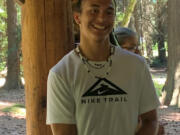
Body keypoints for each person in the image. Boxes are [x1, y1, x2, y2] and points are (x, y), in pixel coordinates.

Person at [46, 0, 160, 135]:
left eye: (109, 12)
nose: (102, 18)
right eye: (94, 10)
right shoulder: (61, 73)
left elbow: (150, 120)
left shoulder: (137, 66)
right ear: (77, 17)